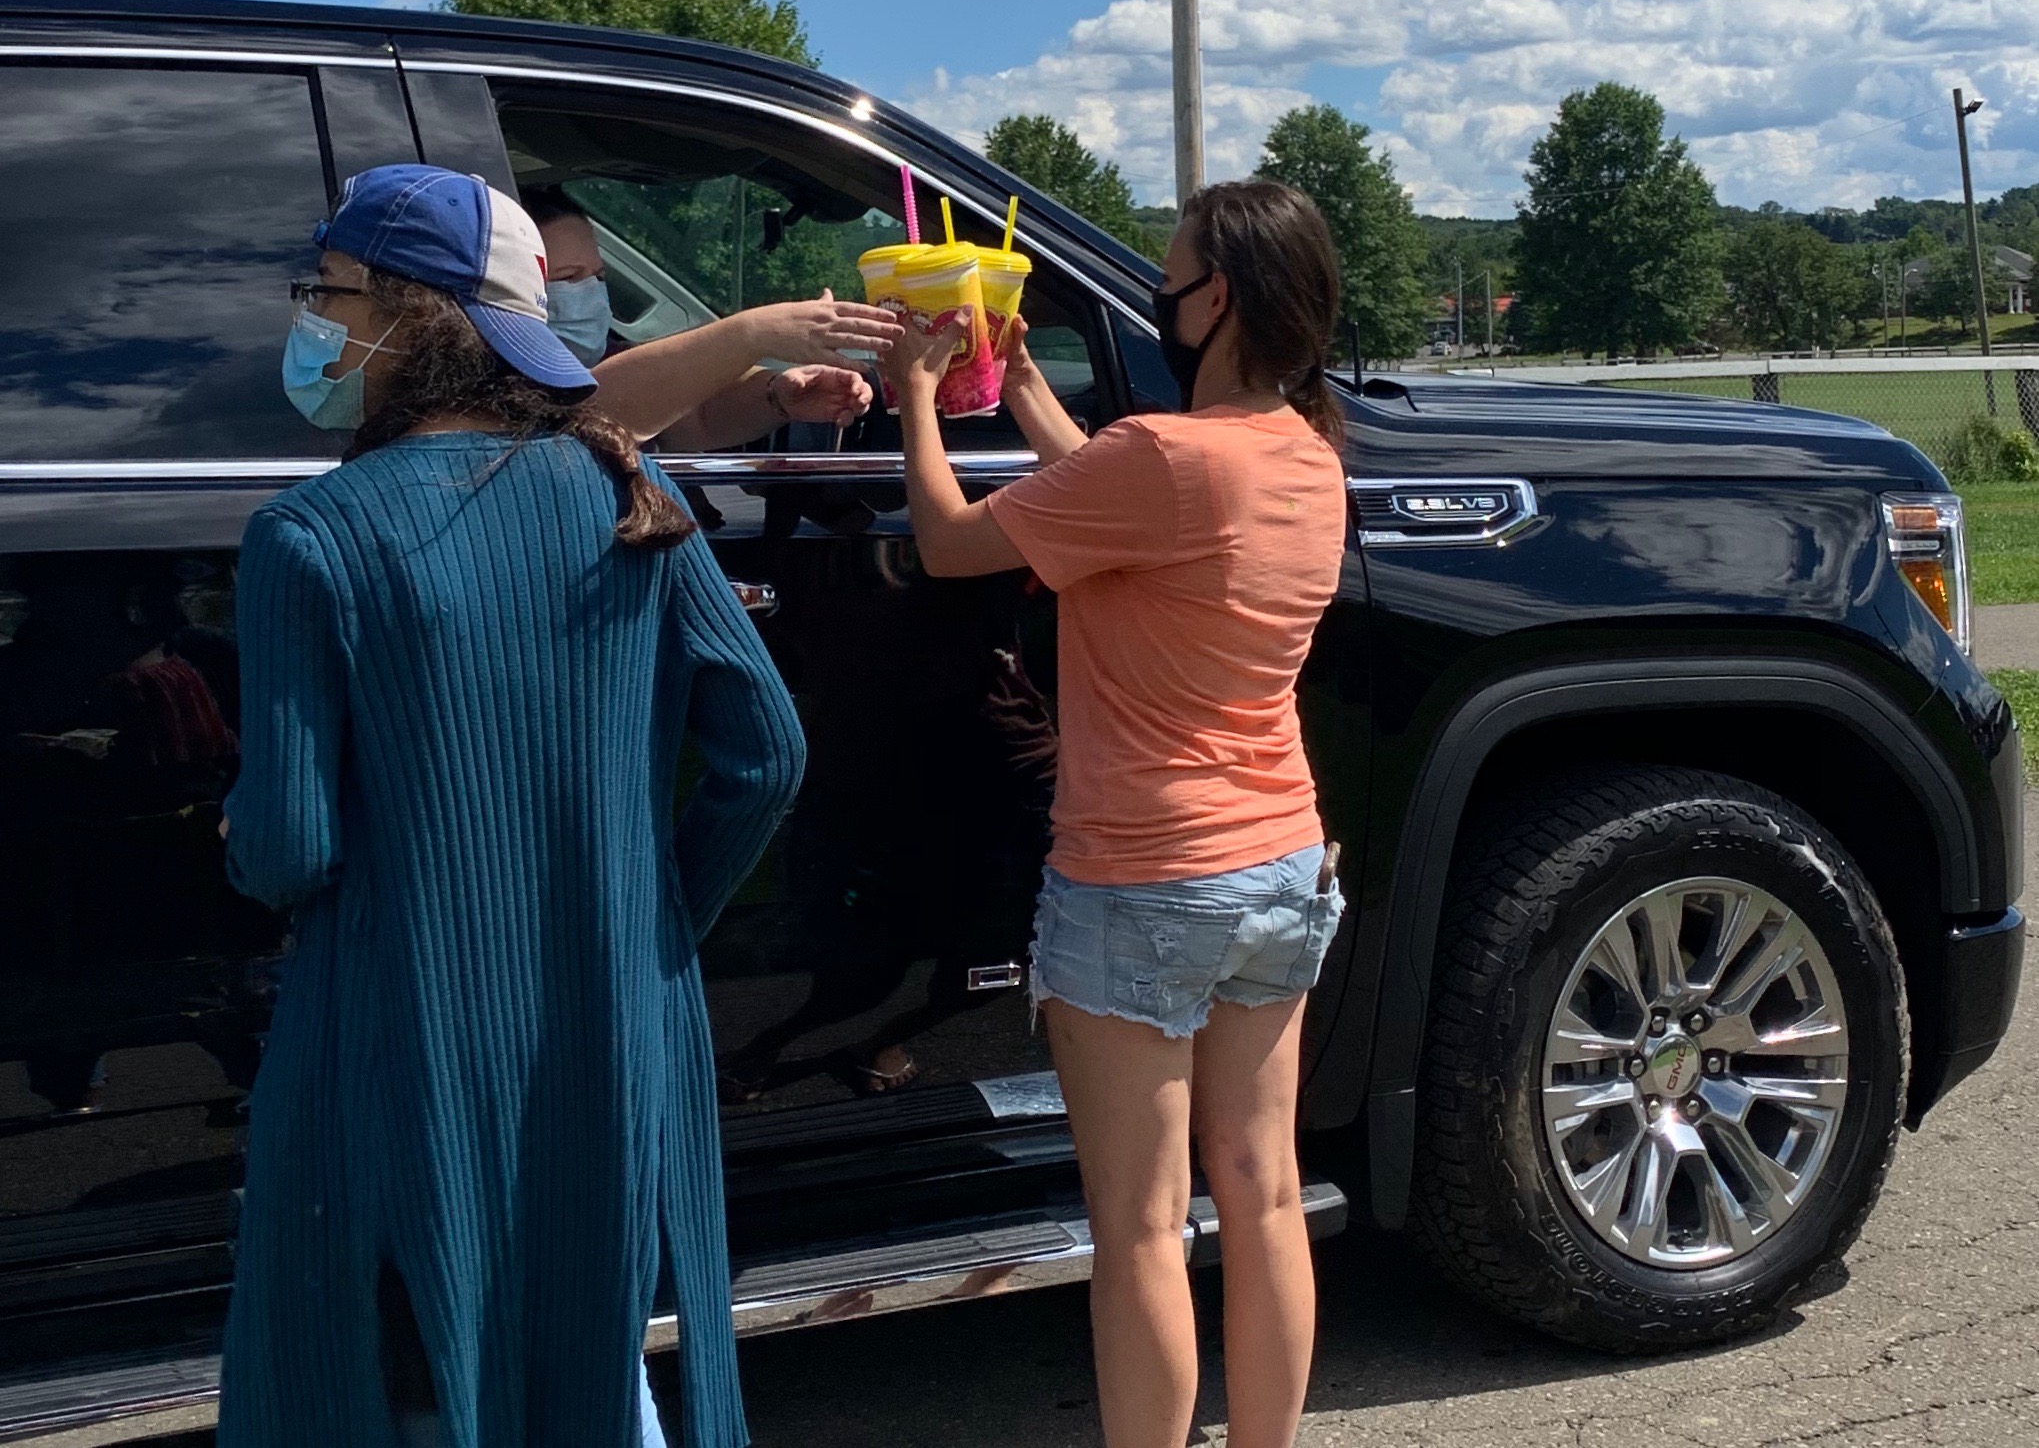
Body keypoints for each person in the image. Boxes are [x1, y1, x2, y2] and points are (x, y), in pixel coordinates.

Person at [218, 165, 806, 1448]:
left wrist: (237, 828)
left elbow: (289, 848)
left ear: (411, 314)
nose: (311, 317)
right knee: (595, 1352)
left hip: (400, 1037)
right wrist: (650, 923)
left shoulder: (309, 538)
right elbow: (765, 752)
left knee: (418, 1363)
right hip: (607, 1026)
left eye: (330, 290)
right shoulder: (629, 497)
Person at [880, 179, 1350, 1448]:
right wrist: (1026, 387)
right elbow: (1118, 500)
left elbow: (948, 541)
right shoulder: (1304, 454)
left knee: (1139, 1226)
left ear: (1220, 298)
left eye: (1171, 272)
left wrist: (922, 394)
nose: (1157, 290)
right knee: (1260, 1196)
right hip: (1280, 865)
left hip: (1141, 876)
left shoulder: (1165, 460)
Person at [524, 188, 887, 448]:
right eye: (568, 278)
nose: (590, 291)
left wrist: (779, 396)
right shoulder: (492, 383)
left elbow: (697, 420)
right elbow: (587, 413)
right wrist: (754, 332)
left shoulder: (612, 356)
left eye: (599, 276)